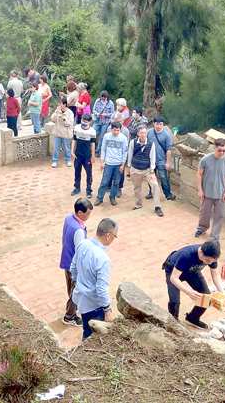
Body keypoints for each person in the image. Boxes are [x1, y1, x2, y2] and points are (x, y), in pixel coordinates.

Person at [70, 217, 118, 340]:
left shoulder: (82, 244)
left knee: (86, 327)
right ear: (108, 236)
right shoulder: (102, 258)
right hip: (94, 305)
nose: (114, 239)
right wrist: (107, 310)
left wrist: (78, 283)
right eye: (114, 236)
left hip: (81, 298)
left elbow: (73, 267)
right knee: (92, 337)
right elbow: (101, 288)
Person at [162, 241, 225, 328]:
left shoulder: (212, 256)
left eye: (212, 261)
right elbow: (174, 278)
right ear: (200, 252)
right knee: (175, 300)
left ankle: (192, 318)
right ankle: (173, 323)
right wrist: (189, 292)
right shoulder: (186, 255)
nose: (209, 263)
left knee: (206, 296)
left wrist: (222, 294)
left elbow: (215, 274)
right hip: (174, 270)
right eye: (207, 261)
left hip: (192, 270)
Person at [59, 198, 94, 327]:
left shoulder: (69, 218)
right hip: (75, 264)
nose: (89, 216)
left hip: (66, 258)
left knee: (71, 286)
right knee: (76, 291)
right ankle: (69, 316)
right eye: (88, 213)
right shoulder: (79, 230)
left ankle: (73, 309)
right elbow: (80, 252)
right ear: (80, 212)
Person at [195, 138, 225, 242]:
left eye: (224, 150)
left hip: (220, 194)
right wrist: (200, 190)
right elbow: (199, 174)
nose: (222, 153)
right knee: (204, 213)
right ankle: (201, 228)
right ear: (214, 148)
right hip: (207, 192)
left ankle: (214, 236)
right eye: (219, 150)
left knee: (220, 215)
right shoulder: (205, 159)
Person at [128, 126, 163, 216]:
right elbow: (130, 154)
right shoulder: (133, 142)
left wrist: (152, 171)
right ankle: (138, 204)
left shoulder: (151, 144)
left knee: (155, 185)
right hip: (135, 168)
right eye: (141, 133)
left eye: (145, 133)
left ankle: (157, 206)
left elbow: (152, 157)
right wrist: (129, 167)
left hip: (147, 169)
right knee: (137, 187)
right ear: (138, 134)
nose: (143, 135)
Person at [94, 122, 128, 206]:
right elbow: (103, 148)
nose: (116, 132)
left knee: (116, 182)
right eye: (114, 130)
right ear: (111, 129)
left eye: (117, 130)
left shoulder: (123, 138)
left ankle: (112, 197)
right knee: (104, 181)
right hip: (109, 162)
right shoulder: (106, 136)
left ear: (120, 130)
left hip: (118, 162)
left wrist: (123, 164)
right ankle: (99, 198)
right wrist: (102, 161)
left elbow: (125, 152)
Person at [146, 116, 175, 200]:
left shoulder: (166, 135)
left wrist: (167, 162)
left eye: (160, 124)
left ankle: (168, 194)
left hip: (161, 160)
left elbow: (168, 150)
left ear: (163, 125)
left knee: (163, 178)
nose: (158, 126)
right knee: (150, 177)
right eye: (157, 124)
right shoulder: (149, 132)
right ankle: (151, 192)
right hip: (150, 160)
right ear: (153, 124)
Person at [71, 113, 96, 198]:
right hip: (78, 155)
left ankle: (89, 190)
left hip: (87, 156)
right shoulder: (77, 128)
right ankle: (77, 188)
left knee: (89, 174)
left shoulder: (92, 131)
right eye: (82, 120)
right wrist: (72, 151)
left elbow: (93, 144)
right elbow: (74, 140)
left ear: (89, 122)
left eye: (85, 121)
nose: (83, 122)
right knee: (77, 172)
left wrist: (93, 156)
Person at [51, 98, 74, 167]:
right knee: (56, 148)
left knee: (67, 148)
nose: (59, 105)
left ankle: (68, 160)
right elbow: (52, 119)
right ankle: (54, 161)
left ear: (64, 104)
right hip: (57, 132)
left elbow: (70, 123)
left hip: (66, 134)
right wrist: (56, 113)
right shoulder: (57, 111)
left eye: (60, 104)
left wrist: (64, 119)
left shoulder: (70, 113)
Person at [92, 90, 115, 157]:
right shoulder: (97, 101)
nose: (103, 98)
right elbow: (94, 110)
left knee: (102, 137)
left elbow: (112, 113)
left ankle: (97, 150)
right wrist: (97, 113)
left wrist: (106, 115)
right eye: (102, 97)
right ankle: (91, 149)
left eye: (105, 97)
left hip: (105, 122)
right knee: (92, 133)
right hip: (97, 121)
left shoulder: (110, 103)